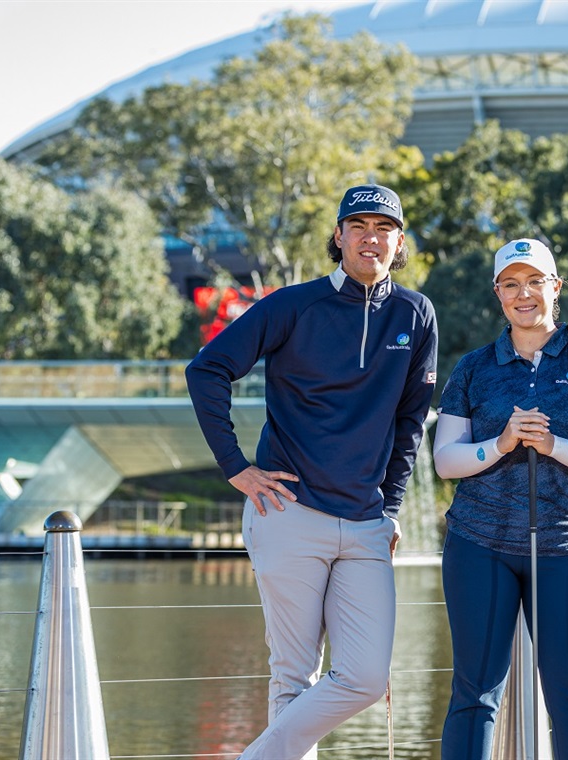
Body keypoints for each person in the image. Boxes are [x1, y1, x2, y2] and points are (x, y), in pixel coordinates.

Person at [185, 183, 438, 760]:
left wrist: (392, 507)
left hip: (367, 523)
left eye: (384, 228)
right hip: (287, 510)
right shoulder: (292, 305)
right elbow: (207, 371)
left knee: (366, 677)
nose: (371, 237)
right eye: (359, 226)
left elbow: (409, 423)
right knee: (292, 677)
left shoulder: (416, 314)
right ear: (339, 236)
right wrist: (236, 468)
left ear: (399, 241)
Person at [432, 239, 568, 760]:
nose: (524, 294)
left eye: (536, 281)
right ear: (498, 294)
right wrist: (499, 443)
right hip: (479, 545)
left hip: (565, 546)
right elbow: (445, 461)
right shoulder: (473, 368)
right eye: (511, 284)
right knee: (474, 696)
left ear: (556, 287)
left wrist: (554, 445)